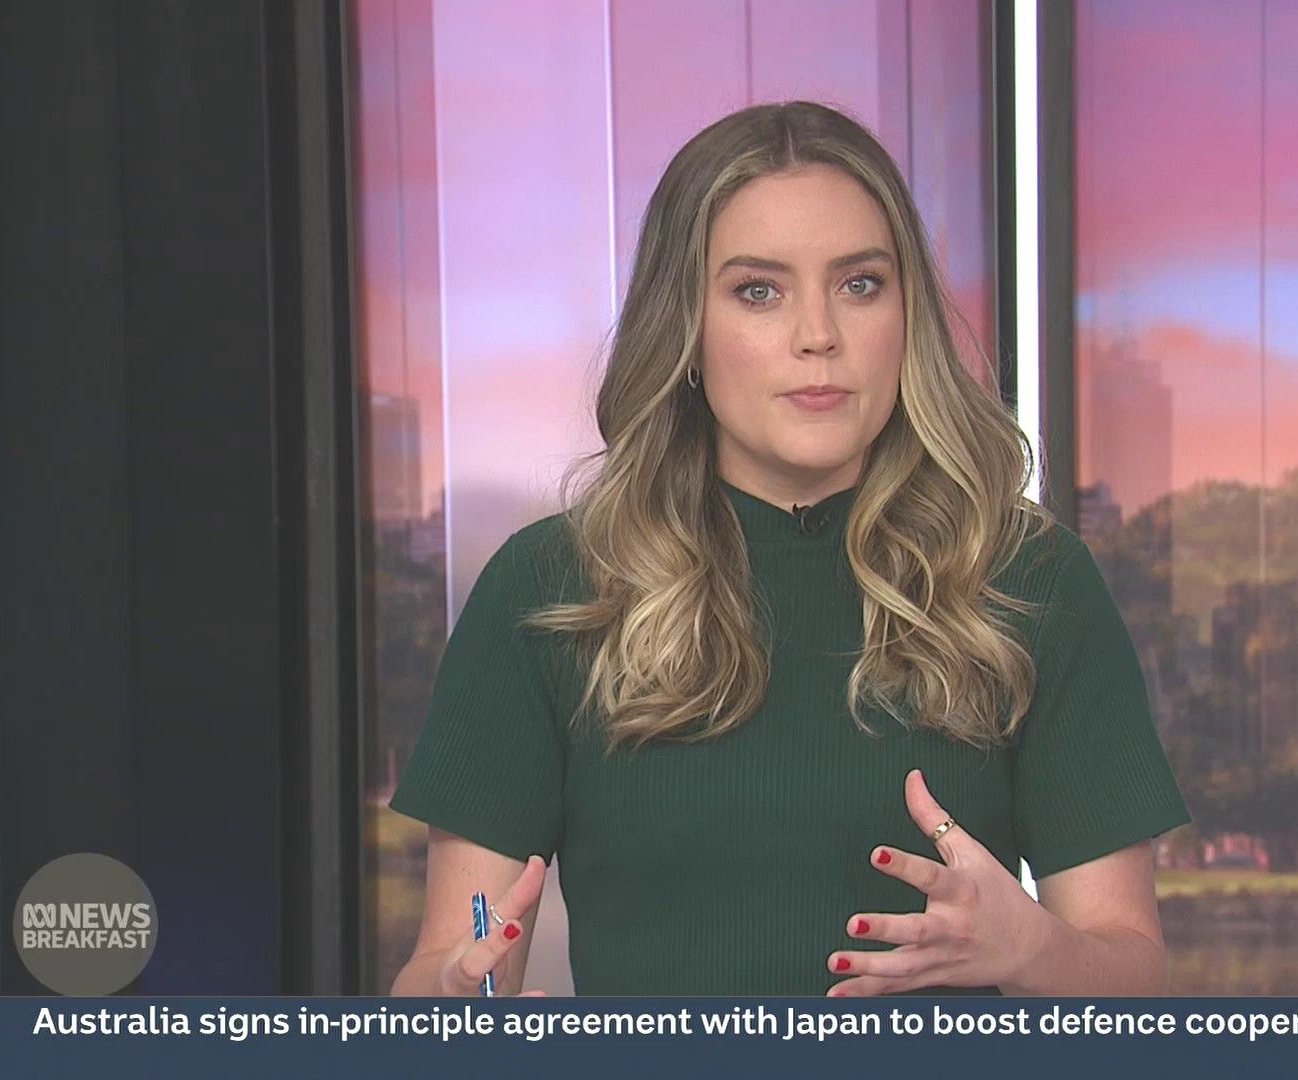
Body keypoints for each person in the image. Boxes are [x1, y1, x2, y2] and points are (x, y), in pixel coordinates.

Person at [387, 100, 1191, 998]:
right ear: (686, 328)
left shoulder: (1030, 581)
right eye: (758, 291)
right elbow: (446, 967)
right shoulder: (550, 589)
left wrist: (1032, 950)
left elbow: (1134, 974)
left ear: (907, 317)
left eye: (860, 284)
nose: (819, 335)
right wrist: (454, 1001)